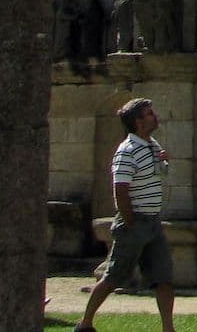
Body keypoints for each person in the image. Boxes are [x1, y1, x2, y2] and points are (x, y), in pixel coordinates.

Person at [75, 98, 176, 332]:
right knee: (113, 278)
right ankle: (85, 324)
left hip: (153, 221)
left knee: (164, 278)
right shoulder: (127, 151)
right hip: (135, 222)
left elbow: (160, 174)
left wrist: (163, 162)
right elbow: (120, 190)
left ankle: (168, 329)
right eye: (150, 113)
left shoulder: (152, 144)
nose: (155, 116)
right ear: (138, 121)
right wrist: (130, 222)